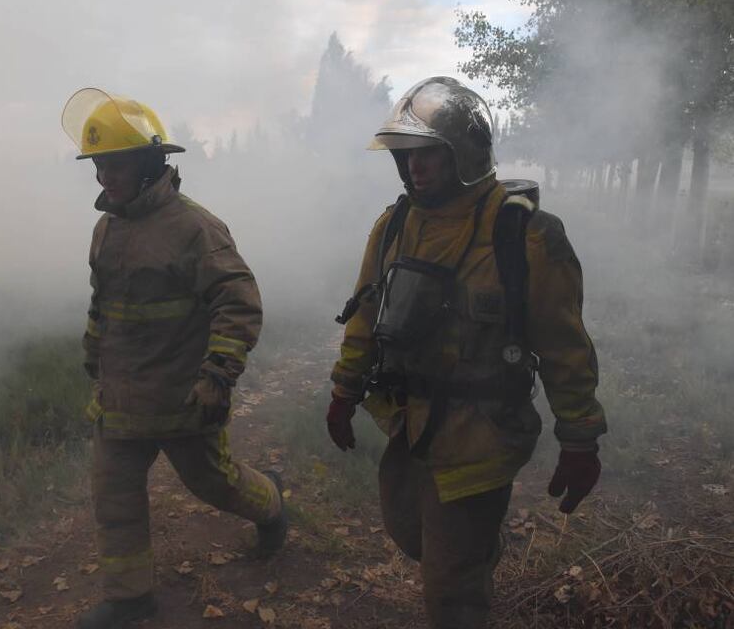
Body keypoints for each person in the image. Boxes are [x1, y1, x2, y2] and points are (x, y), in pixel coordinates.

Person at [326, 76, 607, 628]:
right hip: (410, 427)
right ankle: (475, 554)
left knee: (449, 588)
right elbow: (365, 314)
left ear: (467, 153)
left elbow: (564, 346)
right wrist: (344, 389)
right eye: (405, 157)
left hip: (482, 434)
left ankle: (467, 574)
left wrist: (580, 438)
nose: (413, 170)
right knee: (411, 532)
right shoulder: (395, 225)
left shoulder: (525, 236)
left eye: (427, 155)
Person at [62, 88, 286, 629]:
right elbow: (104, 303)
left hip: (182, 398)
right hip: (119, 398)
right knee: (113, 494)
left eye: (114, 163)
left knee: (216, 484)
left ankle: (273, 506)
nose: (103, 178)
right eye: (97, 165)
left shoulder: (195, 228)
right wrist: (94, 352)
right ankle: (130, 596)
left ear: (148, 162)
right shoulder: (106, 227)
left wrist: (217, 376)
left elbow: (238, 302)